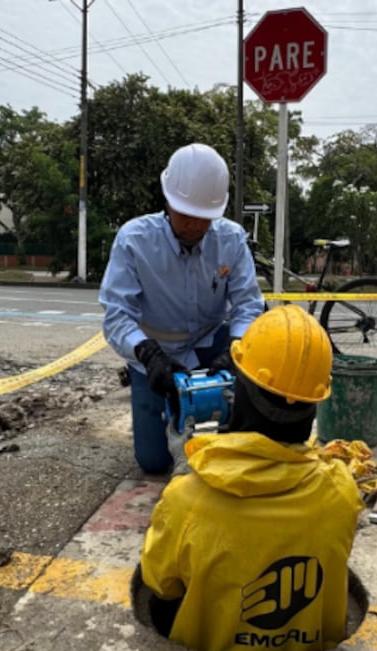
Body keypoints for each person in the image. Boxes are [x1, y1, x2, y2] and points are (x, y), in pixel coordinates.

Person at [138, 304, 365, 651]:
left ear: (239, 394)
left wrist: (186, 469)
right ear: (316, 402)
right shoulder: (341, 489)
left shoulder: (187, 500)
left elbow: (159, 584)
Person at [99, 143, 264, 474]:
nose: (194, 226)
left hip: (210, 341)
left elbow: (248, 304)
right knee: (154, 462)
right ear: (167, 201)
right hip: (154, 353)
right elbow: (117, 314)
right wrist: (146, 352)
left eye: (203, 218)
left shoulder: (231, 239)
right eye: (185, 214)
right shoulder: (134, 240)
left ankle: (230, 420)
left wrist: (236, 347)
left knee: (237, 438)